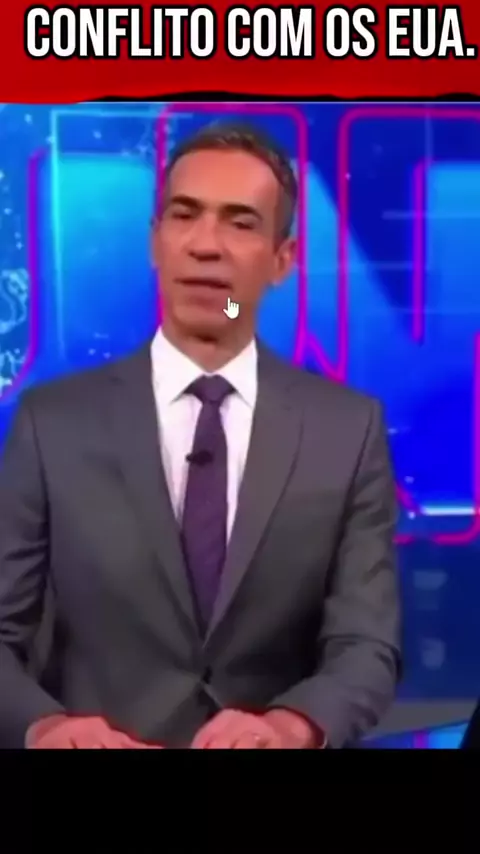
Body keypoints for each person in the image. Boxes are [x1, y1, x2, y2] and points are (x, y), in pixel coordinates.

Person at [0, 120, 401, 749]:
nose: (205, 245)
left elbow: (366, 646)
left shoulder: (347, 431)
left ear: (282, 259)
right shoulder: (51, 424)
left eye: (240, 223)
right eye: (185, 215)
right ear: (155, 241)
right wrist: (45, 726)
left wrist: (289, 726)